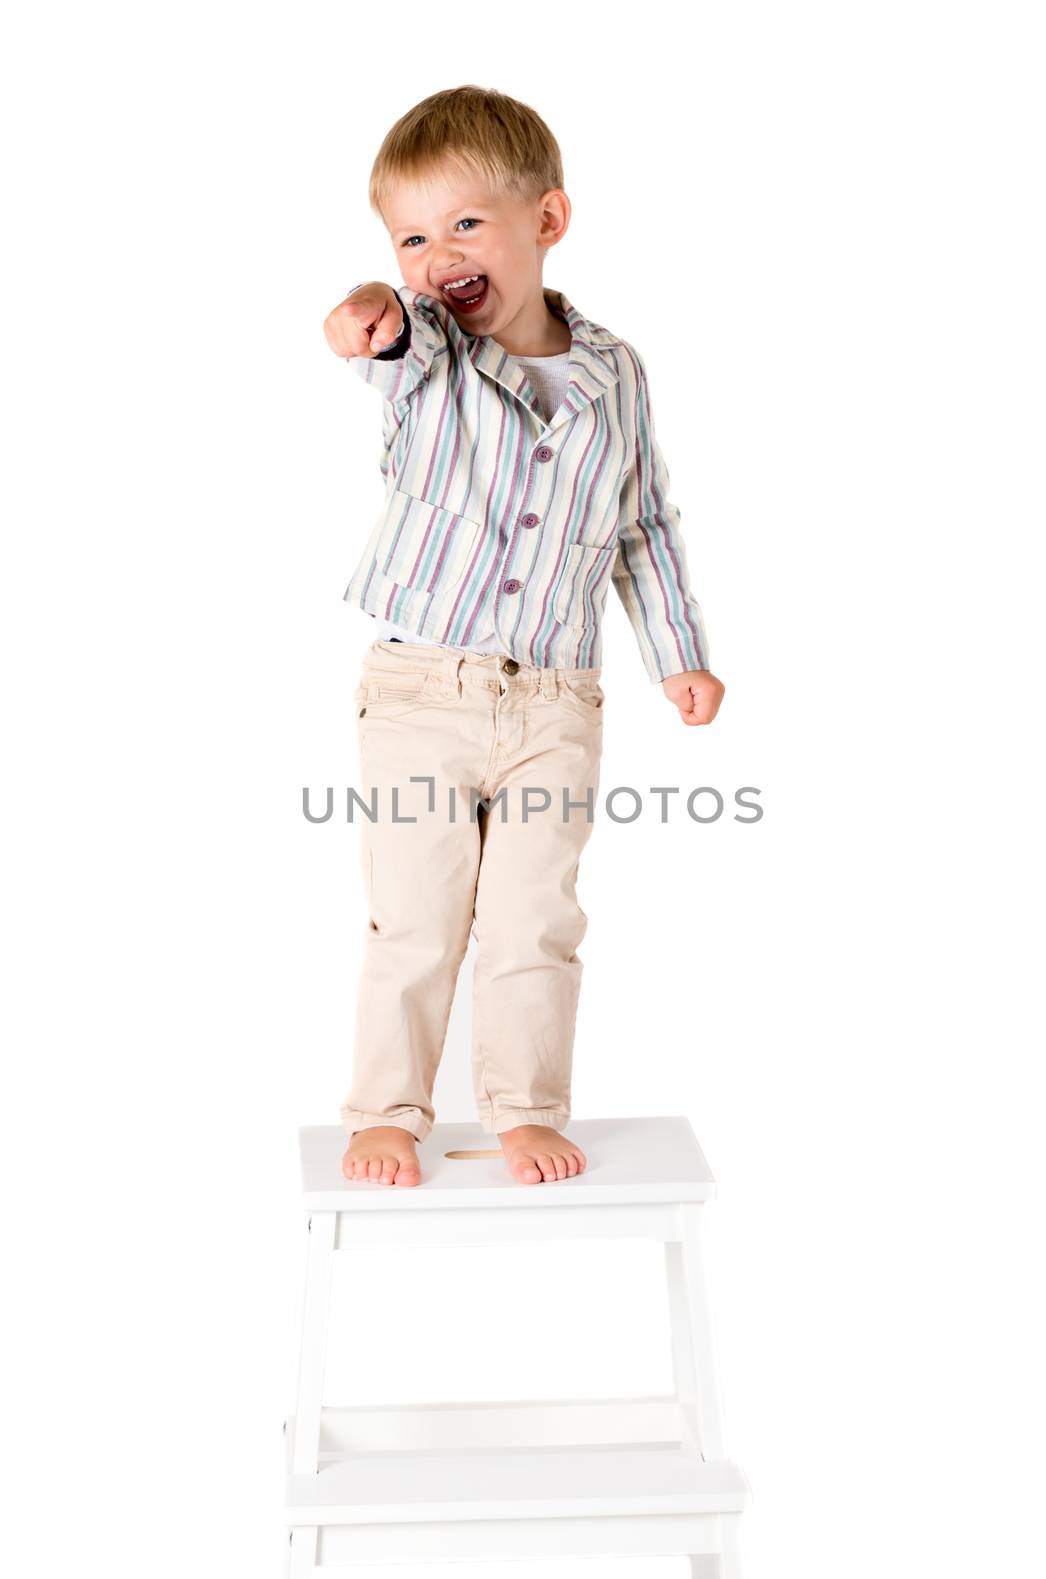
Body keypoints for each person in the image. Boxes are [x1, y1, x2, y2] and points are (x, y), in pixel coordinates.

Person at [322, 86, 725, 1189]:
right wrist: (369, 307)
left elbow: (643, 521)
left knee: (533, 919)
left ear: (545, 222)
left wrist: (677, 655)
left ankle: (525, 1108)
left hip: (556, 699)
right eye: (411, 235)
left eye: (463, 225)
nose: (435, 252)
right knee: (413, 916)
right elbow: (381, 342)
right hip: (421, 691)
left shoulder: (615, 375)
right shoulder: (429, 353)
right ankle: (386, 1111)